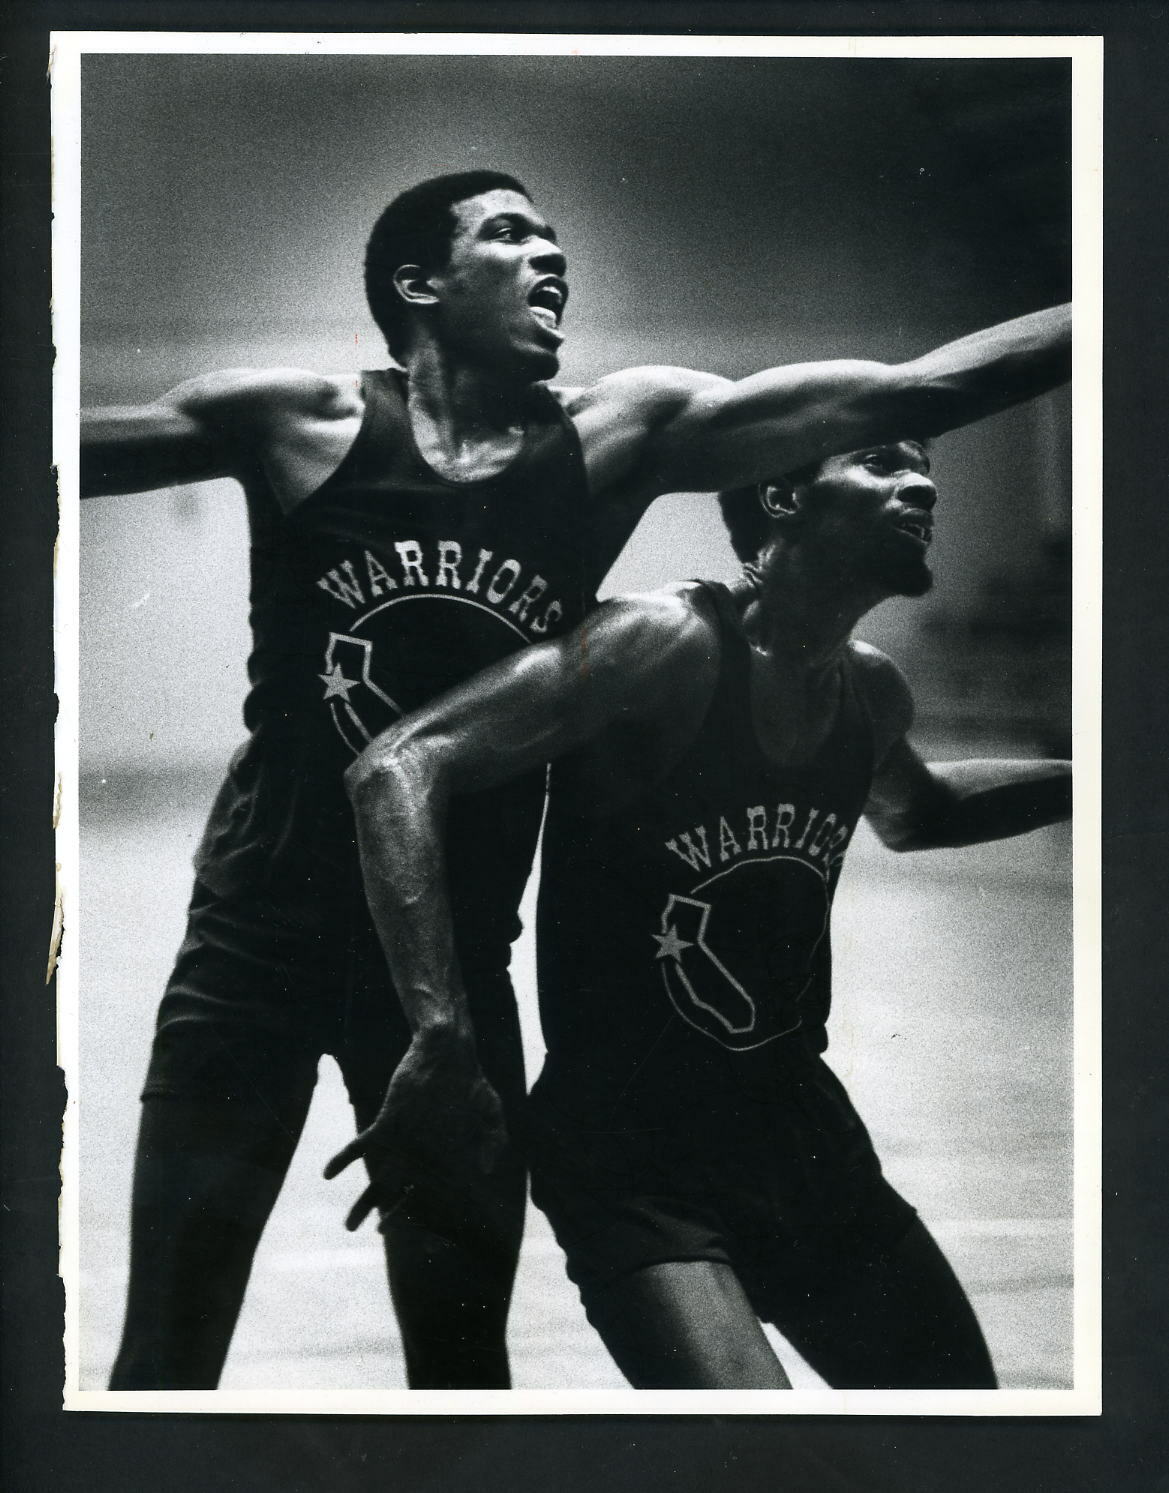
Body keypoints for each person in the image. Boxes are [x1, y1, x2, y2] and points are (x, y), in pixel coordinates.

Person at [81, 167, 1071, 1390]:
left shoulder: (614, 437)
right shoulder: (297, 420)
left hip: (448, 961)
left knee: (459, 1362)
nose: (550, 255)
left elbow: (922, 386)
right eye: (508, 235)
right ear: (418, 284)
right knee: (167, 1356)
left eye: (556, 238)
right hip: (256, 942)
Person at [337, 435, 1072, 1389]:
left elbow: (917, 810)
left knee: (963, 1429)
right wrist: (440, 1032)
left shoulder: (870, 688)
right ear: (780, 496)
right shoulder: (663, 644)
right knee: (759, 1458)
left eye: (924, 461)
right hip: (633, 1153)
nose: (924, 481)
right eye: (884, 460)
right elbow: (396, 765)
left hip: (798, 1129)